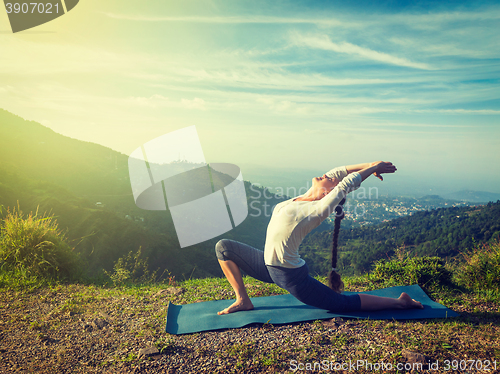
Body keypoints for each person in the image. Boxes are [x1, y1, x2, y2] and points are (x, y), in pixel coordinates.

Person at [215, 161, 423, 315]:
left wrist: (374, 167)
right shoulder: (303, 197)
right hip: (268, 266)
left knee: (342, 304)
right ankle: (243, 299)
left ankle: (401, 303)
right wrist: (370, 164)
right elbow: (340, 172)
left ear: (329, 193)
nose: (327, 175)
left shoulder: (318, 209)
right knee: (224, 248)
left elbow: (346, 183)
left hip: (290, 275)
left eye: (329, 180)